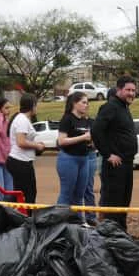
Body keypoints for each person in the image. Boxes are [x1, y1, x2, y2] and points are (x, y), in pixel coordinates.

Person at [91, 75, 138, 231]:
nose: (131, 93)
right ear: (119, 90)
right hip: (114, 165)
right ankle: (112, 237)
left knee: (124, 202)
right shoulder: (110, 107)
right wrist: (108, 154)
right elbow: (96, 131)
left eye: (133, 90)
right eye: (128, 90)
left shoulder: (124, 108)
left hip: (127, 163)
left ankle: (122, 234)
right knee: (114, 203)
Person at [56, 91, 97, 223]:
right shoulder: (67, 118)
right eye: (83, 102)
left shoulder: (85, 120)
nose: (86, 105)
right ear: (75, 103)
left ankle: (78, 223)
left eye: (87, 103)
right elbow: (61, 141)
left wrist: (90, 140)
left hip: (84, 159)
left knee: (79, 194)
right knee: (66, 193)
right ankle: (59, 222)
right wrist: (83, 137)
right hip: (69, 158)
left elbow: (87, 139)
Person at [6, 94, 44, 208]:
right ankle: (26, 219)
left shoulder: (22, 119)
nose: (37, 108)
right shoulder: (22, 120)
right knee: (29, 193)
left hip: (21, 160)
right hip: (20, 161)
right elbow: (21, 142)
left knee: (20, 192)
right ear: (32, 106)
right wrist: (37, 146)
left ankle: (13, 216)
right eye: (36, 105)